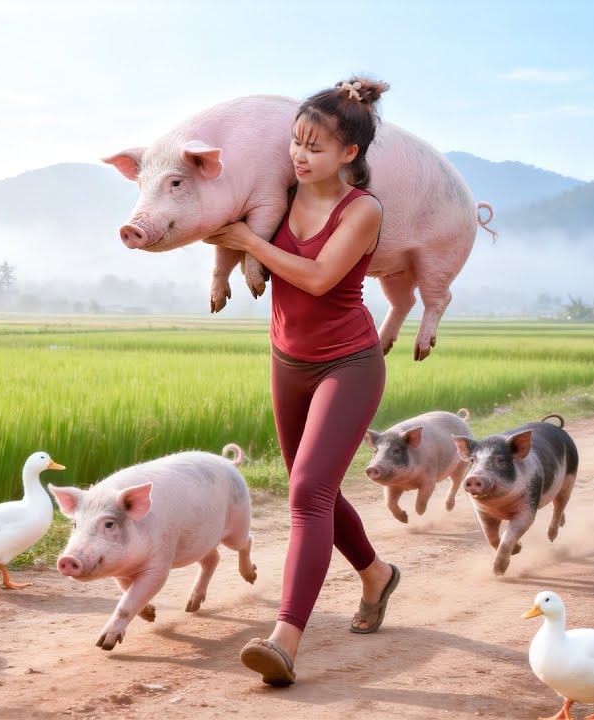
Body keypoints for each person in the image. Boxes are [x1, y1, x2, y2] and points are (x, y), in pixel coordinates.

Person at [204, 76, 400, 687]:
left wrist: (246, 243)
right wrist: (227, 257)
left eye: (314, 148)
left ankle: (284, 640)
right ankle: (376, 574)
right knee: (309, 488)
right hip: (287, 362)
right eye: (295, 142)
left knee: (307, 494)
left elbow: (316, 278)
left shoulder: (362, 210)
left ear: (349, 155)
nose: (299, 155)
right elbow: (228, 216)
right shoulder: (281, 192)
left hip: (349, 364)